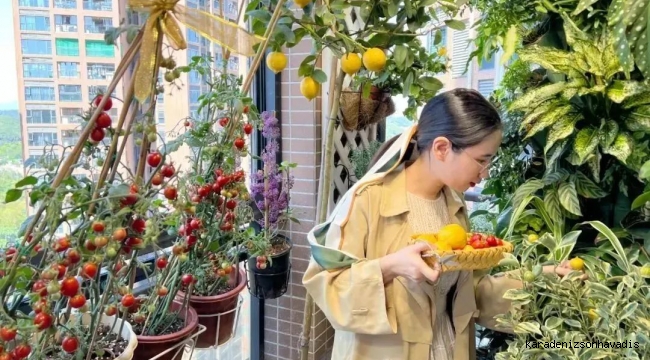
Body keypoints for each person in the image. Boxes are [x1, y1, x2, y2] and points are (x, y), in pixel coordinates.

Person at [302, 89, 578, 360]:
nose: (486, 173)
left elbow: (472, 291)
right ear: (442, 148)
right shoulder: (369, 200)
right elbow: (328, 286)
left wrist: (543, 278)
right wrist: (390, 267)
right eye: (482, 160)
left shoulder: (454, 207)